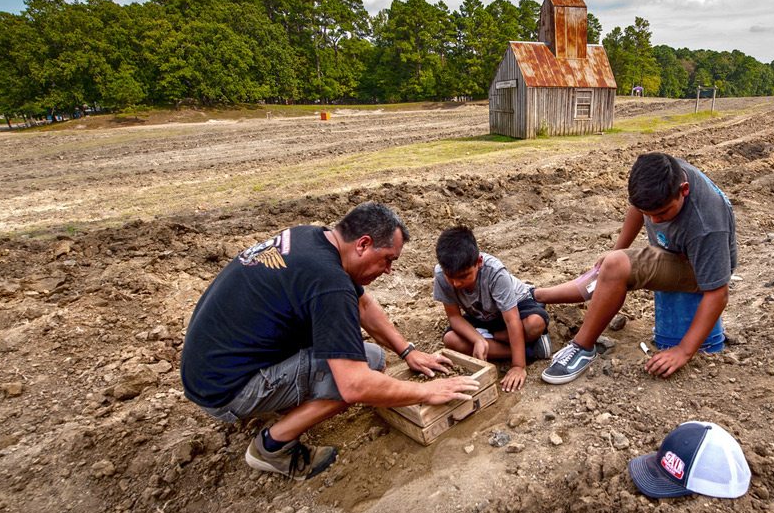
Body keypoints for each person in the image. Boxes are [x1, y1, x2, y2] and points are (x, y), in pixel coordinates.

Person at [181, 202, 480, 480]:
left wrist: (407, 351)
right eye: (388, 260)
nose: (388, 270)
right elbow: (355, 385)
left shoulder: (312, 238)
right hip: (227, 391)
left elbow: (363, 306)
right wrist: (426, 392)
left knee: (362, 356)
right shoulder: (329, 282)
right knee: (370, 366)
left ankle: (281, 400)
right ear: (363, 244)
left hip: (210, 371)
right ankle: (272, 446)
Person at [535, 152, 736, 384]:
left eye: (662, 213)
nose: (655, 221)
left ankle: (582, 347)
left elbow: (718, 293)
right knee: (608, 266)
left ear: (685, 190)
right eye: (649, 214)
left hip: (699, 268)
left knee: (615, 267)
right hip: (675, 250)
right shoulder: (661, 176)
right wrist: (617, 249)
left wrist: (684, 351)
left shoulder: (707, 226)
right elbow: (638, 209)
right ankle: (536, 294)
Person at [433, 226, 552, 393]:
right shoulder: (440, 275)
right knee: (451, 340)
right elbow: (454, 317)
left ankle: (509, 346)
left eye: (464, 276)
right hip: (482, 316)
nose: (456, 284)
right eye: (450, 277)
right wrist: (477, 340)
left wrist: (518, 366)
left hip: (515, 308)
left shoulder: (495, 272)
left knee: (534, 324)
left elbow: (512, 320)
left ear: (479, 263)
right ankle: (530, 350)